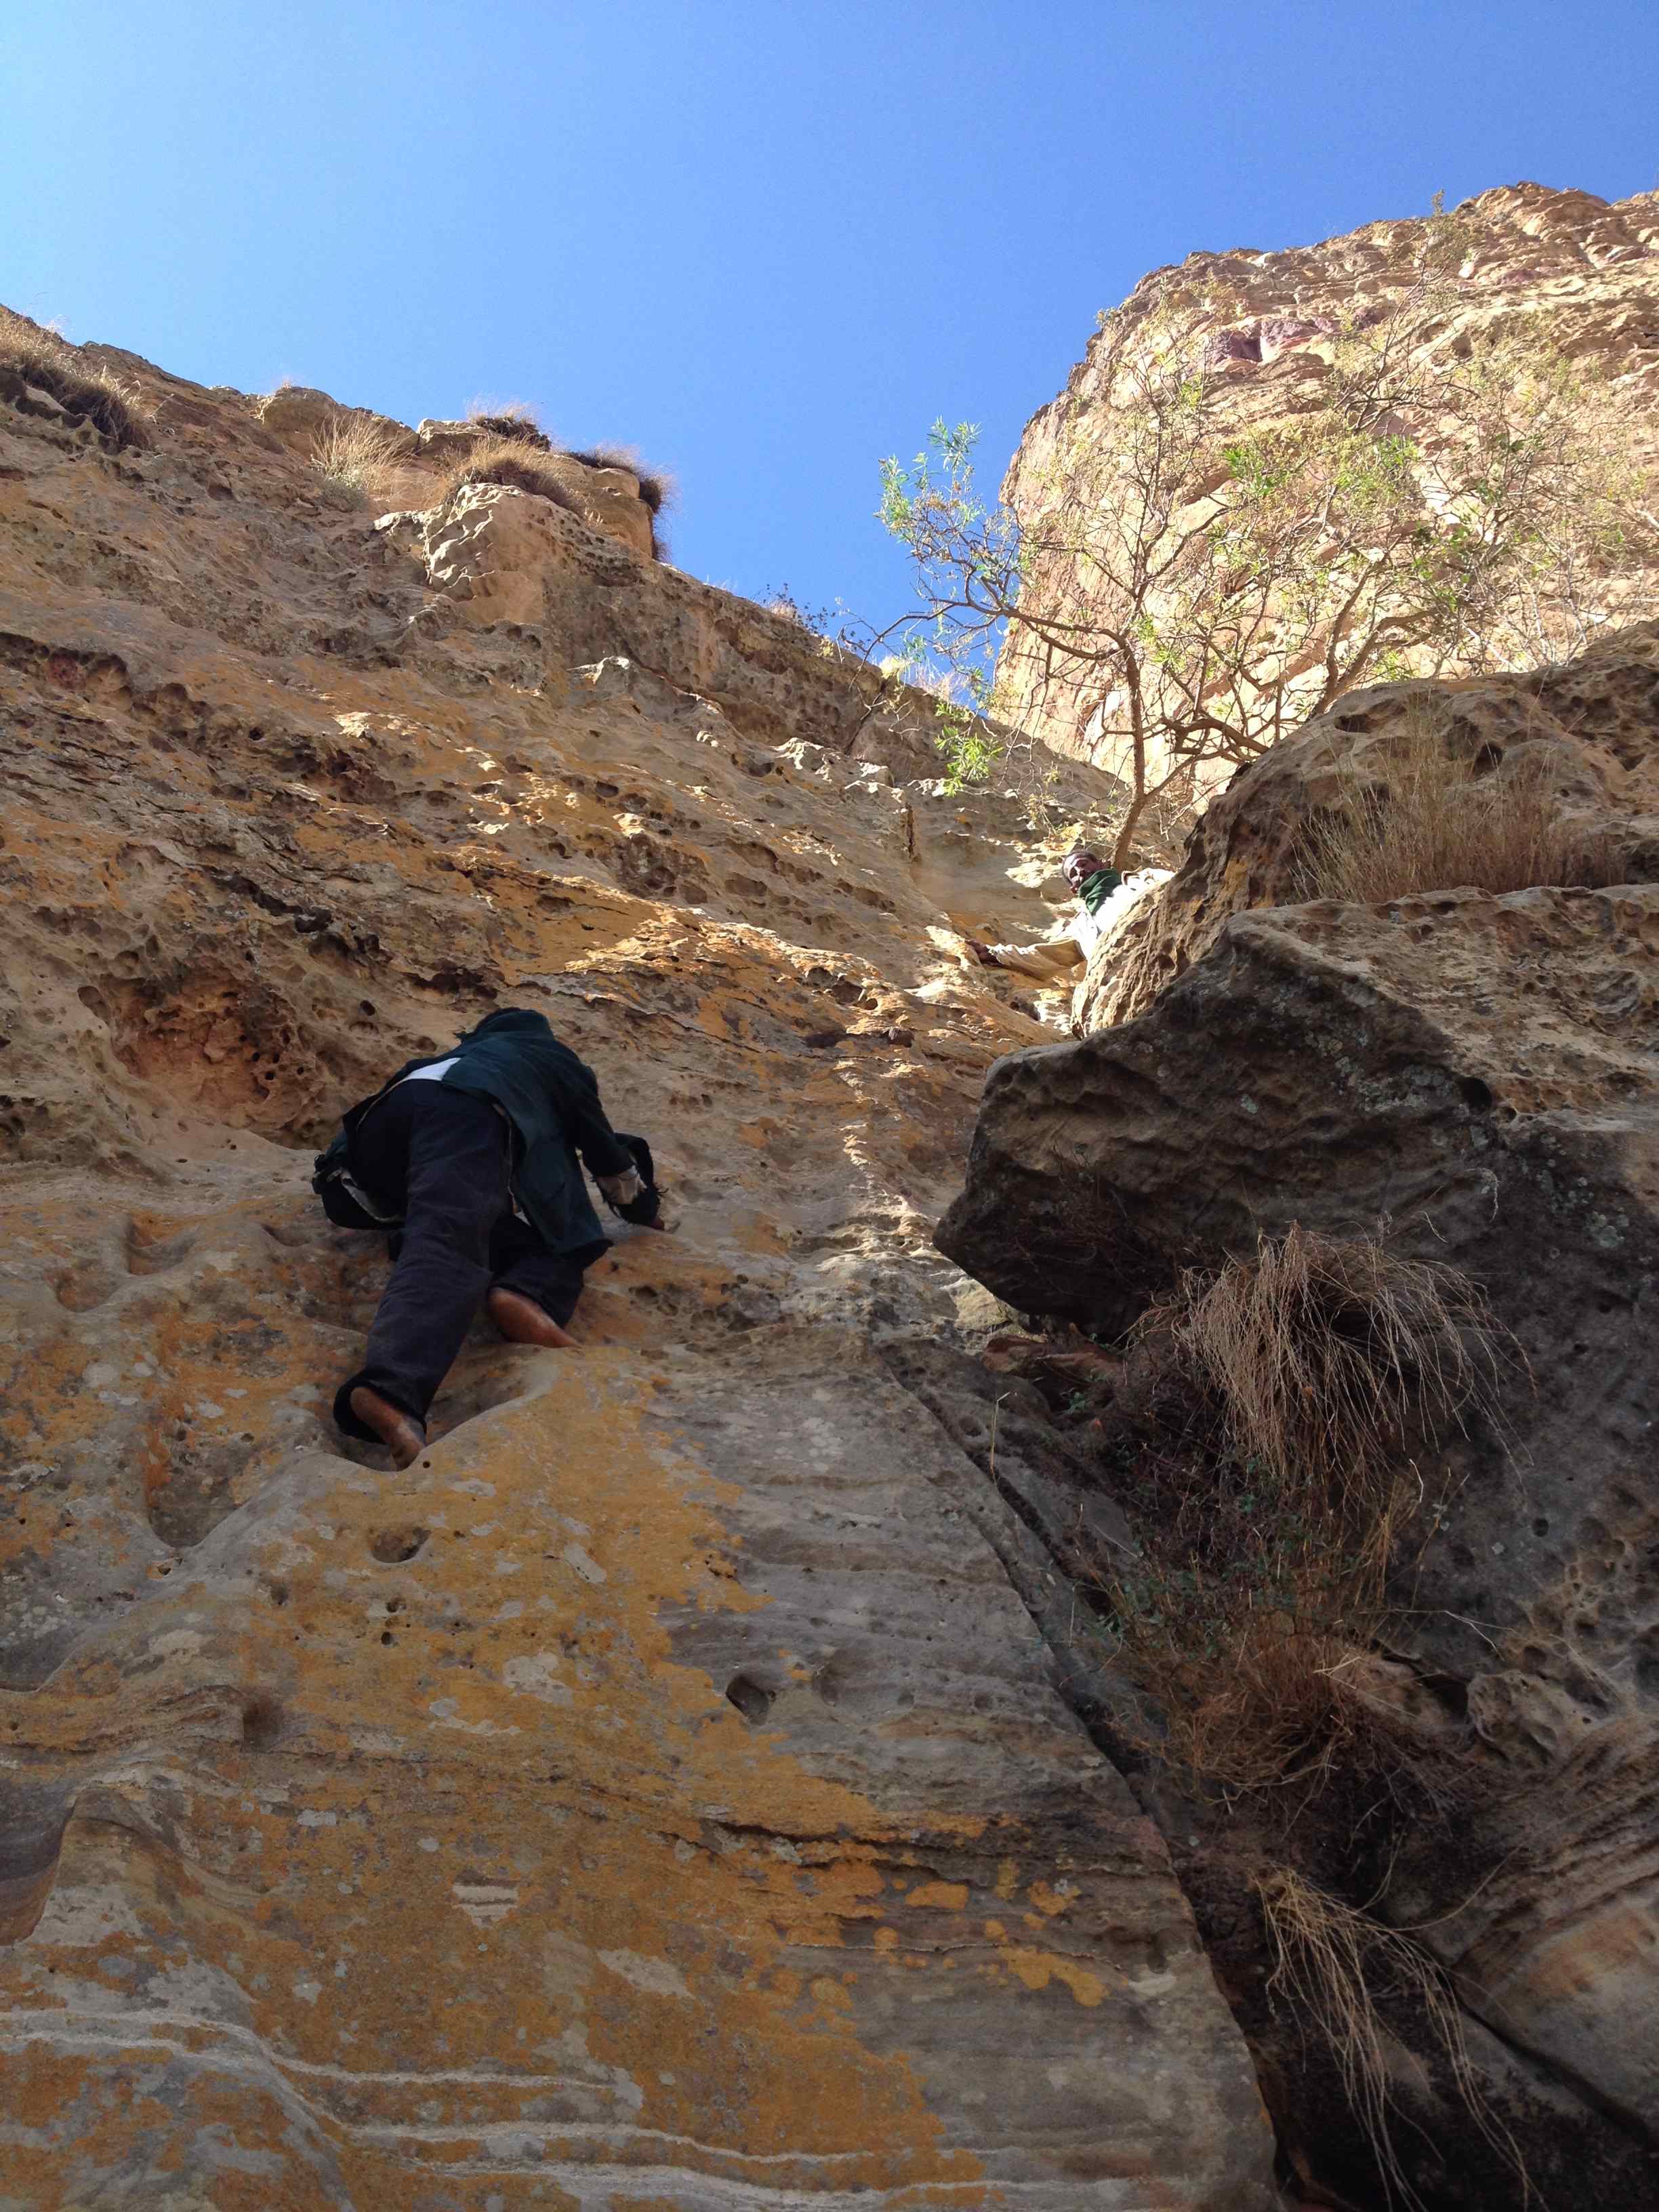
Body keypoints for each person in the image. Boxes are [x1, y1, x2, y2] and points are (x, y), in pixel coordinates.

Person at [315, 1007, 663, 1467]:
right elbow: (606, 1154)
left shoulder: (450, 1057)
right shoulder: (551, 1057)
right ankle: (392, 1389)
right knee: (452, 1235)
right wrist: (643, 1210)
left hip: (379, 1139)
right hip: (470, 1111)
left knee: (465, 1220)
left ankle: (520, 1289)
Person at [965, 848, 1170, 981]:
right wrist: (993, 953)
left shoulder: (1145, 878)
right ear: (1074, 888)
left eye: (1082, 864)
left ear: (1102, 865)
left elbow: (1183, 885)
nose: (1079, 871)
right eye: (1073, 873)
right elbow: (1044, 955)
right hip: (1133, 975)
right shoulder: (1081, 926)